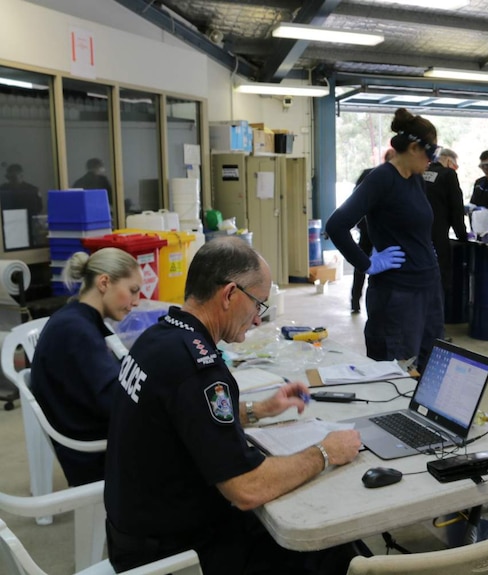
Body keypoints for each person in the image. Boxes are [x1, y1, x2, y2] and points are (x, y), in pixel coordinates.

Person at [104, 237, 362, 573]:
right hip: (175, 553)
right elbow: (247, 488)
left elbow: (185, 419)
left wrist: (258, 411)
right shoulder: (200, 369)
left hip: (135, 532)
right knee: (332, 547)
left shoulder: (158, 338)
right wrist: (326, 452)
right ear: (229, 294)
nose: (257, 320)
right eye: (258, 304)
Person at [326, 108, 444, 373]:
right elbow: (336, 225)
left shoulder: (415, 179)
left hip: (427, 288)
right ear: (414, 147)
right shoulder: (381, 179)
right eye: (431, 152)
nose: (432, 160)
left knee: (429, 368)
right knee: (398, 373)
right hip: (397, 294)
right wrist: (366, 263)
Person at [30, 248, 142, 486]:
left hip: (90, 438)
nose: (136, 301)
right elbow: (115, 401)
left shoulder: (74, 320)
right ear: (104, 282)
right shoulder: (77, 332)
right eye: (132, 290)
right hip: (92, 456)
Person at [423, 148, 468, 338]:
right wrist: (463, 237)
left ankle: (422, 329)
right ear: (449, 161)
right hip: (438, 238)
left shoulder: (421, 173)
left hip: (418, 238)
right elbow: (457, 210)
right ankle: (437, 332)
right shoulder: (448, 175)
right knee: (439, 282)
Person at [351, 149, 396, 314]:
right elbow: (355, 200)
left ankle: (357, 301)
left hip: (379, 230)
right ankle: (355, 300)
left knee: (369, 264)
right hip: (370, 228)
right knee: (363, 264)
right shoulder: (374, 175)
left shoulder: (403, 179)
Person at [0, 163, 43, 245]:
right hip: (9, 225)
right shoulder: (3, 190)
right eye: (11, 177)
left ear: (21, 175)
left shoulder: (32, 190)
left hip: (28, 224)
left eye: (15, 177)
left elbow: (39, 208)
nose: (13, 180)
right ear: (7, 177)